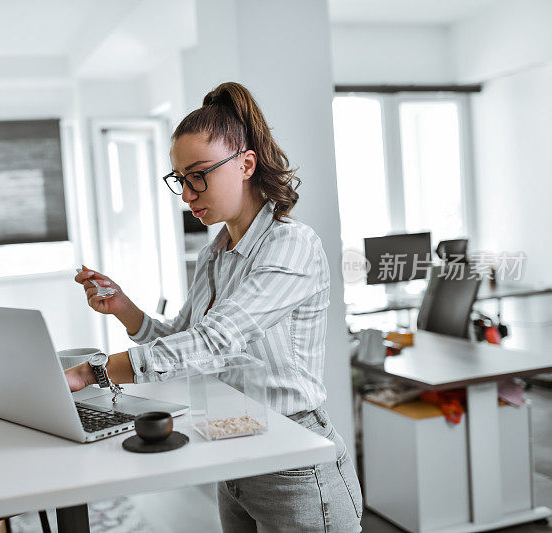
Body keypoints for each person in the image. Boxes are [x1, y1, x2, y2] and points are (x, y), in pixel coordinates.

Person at [68, 81, 363, 532]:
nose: (187, 194)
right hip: (234, 445)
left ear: (246, 164)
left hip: (294, 464)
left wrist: (95, 372)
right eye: (180, 180)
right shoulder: (216, 251)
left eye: (199, 174)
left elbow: (216, 340)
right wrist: (125, 308)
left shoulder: (291, 245)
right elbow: (182, 339)